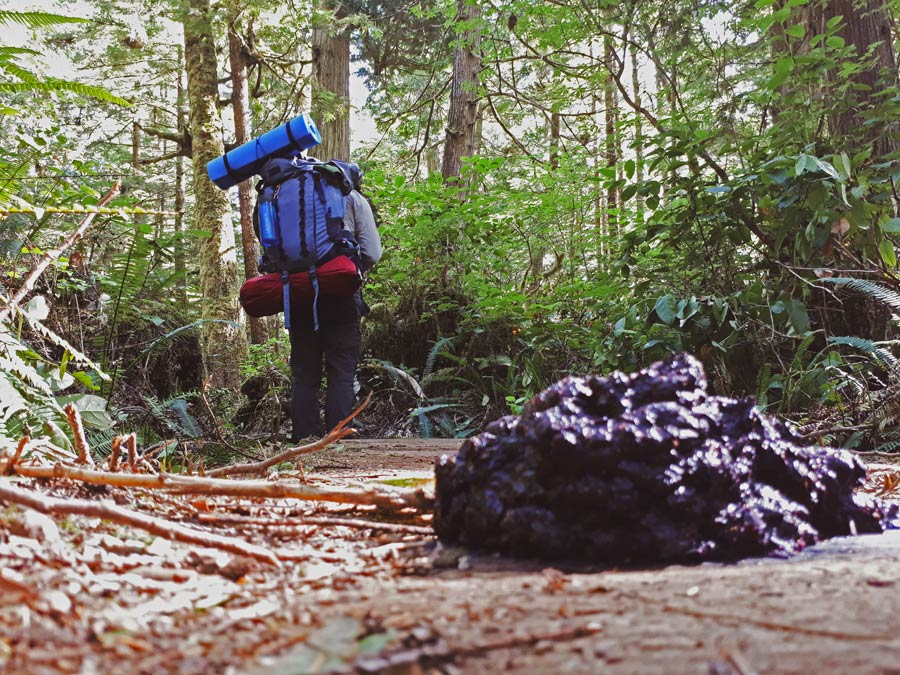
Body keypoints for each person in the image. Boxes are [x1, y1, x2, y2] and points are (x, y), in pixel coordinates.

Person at [289, 168, 382, 441]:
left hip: (298, 293)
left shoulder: (283, 199)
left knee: (305, 371)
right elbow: (373, 252)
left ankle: (304, 438)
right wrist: (350, 269)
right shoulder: (351, 198)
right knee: (341, 367)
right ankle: (338, 434)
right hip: (341, 292)